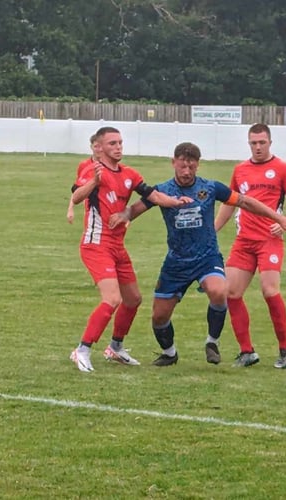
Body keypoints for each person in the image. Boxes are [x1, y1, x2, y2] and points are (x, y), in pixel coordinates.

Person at [109, 142, 286, 367]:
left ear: (198, 166)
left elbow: (246, 202)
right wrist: (125, 215)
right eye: (182, 167)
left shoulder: (210, 188)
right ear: (174, 164)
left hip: (207, 258)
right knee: (159, 317)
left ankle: (212, 342)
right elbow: (136, 208)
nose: (187, 172)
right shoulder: (162, 191)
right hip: (176, 262)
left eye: (191, 167)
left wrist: (280, 218)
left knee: (219, 291)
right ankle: (170, 353)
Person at [69, 126, 193, 372]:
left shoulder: (129, 174)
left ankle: (115, 347)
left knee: (133, 299)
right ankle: (82, 350)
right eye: (112, 143)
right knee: (112, 298)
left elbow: (152, 195)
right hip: (96, 244)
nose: (118, 147)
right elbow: (76, 197)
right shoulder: (93, 170)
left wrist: (175, 202)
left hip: (117, 245)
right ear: (101, 147)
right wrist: (94, 181)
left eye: (120, 143)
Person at [214, 123, 286, 369]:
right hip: (244, 241)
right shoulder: (240, 170)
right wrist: (212, 230)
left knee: (270, 291)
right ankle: (247, 352)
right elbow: (230, 202)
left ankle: (285, 348)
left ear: (270, 142)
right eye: (253, 143)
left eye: (262, 142)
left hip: (269, 240)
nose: (257, 147)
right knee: (231, 293)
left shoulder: (283, 169)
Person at [67, 134, 99, 224]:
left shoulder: (111, 166)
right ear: (91, 147)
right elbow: (76, 189)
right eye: (96, 146)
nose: (98, 149)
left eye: (100, 146)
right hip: (91, 212)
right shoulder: (84, 166)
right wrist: (70, 209)